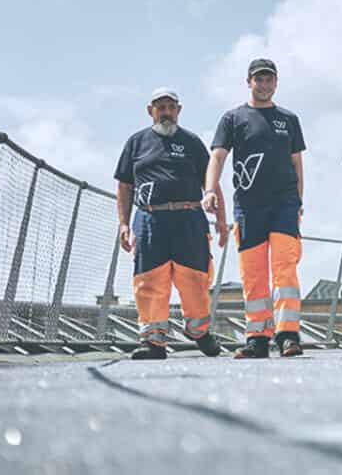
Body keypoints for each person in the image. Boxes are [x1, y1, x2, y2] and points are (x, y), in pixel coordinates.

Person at [204, 58, 308, 358]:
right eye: (258, 79)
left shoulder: (288, 119)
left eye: (269, 79)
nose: (264, 85)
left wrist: (299, 202)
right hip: (249, 207)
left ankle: (288, 334)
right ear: (248, 82)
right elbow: (218, 157)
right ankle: (257, 337)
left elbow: (297, 163)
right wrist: (210, 189)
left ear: (276, 83)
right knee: (253, 272)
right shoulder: (233, 118)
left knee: (284, 268)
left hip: (285, 204)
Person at [114, 88, 222, 360]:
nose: (166, 112)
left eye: (171, 107)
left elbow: (211, 182)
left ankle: (199, 331)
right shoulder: (136, 143)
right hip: (150, 219)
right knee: (149, 280)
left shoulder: (192, 142)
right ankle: (153, 340)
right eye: (160, 107)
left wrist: (221, 220)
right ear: (150, 110)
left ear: (179, 110)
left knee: (195, 279)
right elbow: (125, 186)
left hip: (189, 218)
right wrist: (124, 224)